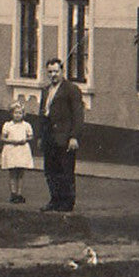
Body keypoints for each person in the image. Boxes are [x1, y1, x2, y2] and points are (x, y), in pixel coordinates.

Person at [39, 57, 84, 212]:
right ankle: (54, 200)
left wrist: (74, 136)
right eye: (50, 72)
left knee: (65, 171)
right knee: (50, 171)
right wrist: (41, 136)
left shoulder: (71, 89)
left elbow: (78, 115)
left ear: (62, 71)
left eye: (56, 71)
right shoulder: (46, 90)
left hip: (65, 137)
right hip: (49, 137)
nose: (53, 75)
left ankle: (67, 203)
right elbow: (43, 114)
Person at [0, 101, 35, 204]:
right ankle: (13, 193)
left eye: (20, 113)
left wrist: (26, 139)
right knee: (12, 173)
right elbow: (2, 138)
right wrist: (12, 141)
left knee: (20, 173)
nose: (18, 115)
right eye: (15, 113)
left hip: (22, 150)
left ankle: (19, 193)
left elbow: (31, 136)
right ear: (11, 113)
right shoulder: (7, 125)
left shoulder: (26, 125)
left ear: (23, 114)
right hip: (11, 149)